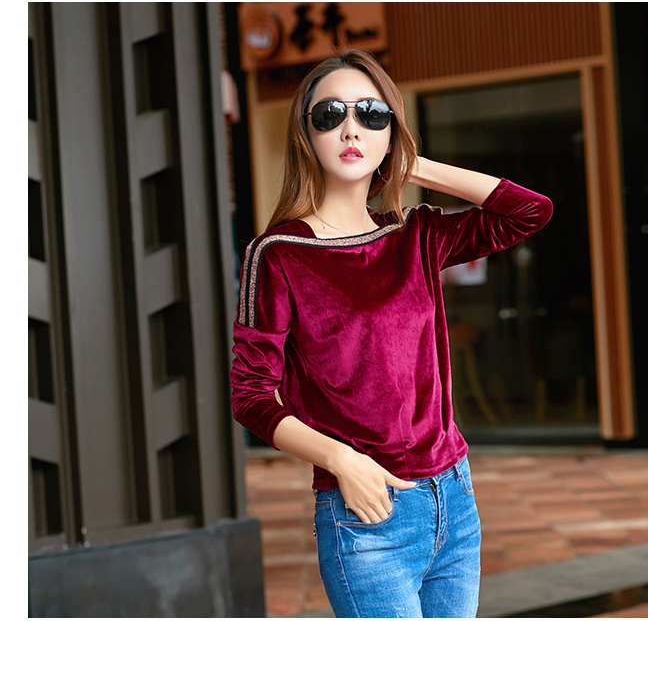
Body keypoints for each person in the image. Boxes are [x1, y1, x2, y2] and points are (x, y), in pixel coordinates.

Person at [230, 49, 553, 618]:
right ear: (306, 133)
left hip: (454, 498)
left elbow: (529, 212)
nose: (350, 128)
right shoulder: (278, 254)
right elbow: (250, 395)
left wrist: (412, 165)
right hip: (366, 514)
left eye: (371, 113)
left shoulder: (416, 235)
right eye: (330, 114)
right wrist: (342, 462)